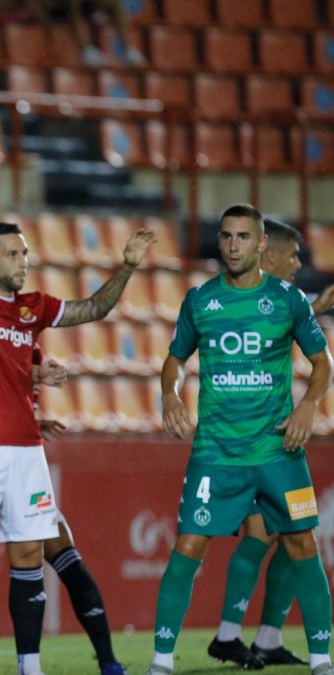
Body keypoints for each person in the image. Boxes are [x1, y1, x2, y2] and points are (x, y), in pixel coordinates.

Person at [0, 158, 154, 675]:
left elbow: (92, 310)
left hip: (27, 454)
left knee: (28, 559)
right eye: (14, 253)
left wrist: (127, 266)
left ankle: (30, 666)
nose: (24, 260)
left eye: (25, 252)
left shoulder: (34, 307)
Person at [149, 205, 333, 675]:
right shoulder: (200, 300)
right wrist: (170, 396)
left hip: (277, 450)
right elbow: (174, 360)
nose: (233, 245)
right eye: (227, 236)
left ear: (261, 244)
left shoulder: (288, 299)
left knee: (302, 547)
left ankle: (322, 660)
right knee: (188, 546)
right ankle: (161, 661)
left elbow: (323, 362)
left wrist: (309, 405)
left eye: (243, 237)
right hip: (216, 453)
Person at [207, 217, 334, 669]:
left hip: (278, 442)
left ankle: (264, 638)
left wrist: (310, 310)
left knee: (290, 535)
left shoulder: (282, 301)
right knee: (269, 533)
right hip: (249, 443)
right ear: (269, 254)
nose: (300, 262)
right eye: (293, 254)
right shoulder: (231, 299)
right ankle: (231, 635)